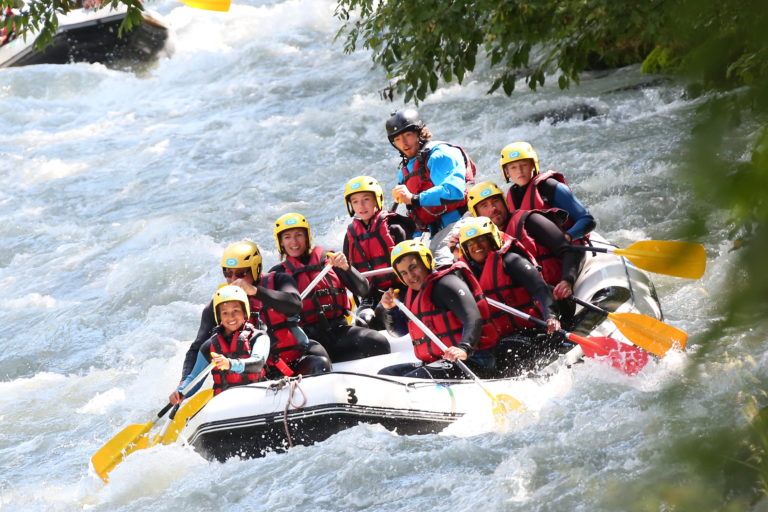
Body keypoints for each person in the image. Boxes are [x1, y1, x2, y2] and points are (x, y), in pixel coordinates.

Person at [180, 240, 331, 384]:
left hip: (296, 358)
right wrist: (185, 380)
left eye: (240, 274)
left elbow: (294, 305)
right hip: (257, 370)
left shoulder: (279, 280)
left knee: (319, 362)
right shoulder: (220, 304)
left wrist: (255, 292)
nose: (233, 280)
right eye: (228, 273)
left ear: (256, 268)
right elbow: (197, 347)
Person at [270, 213, 391, 363]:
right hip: (306, 340)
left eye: (299, 235)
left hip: (338, 330)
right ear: (280, 242)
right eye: (287, 237)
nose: (294, 241)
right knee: (319, 362)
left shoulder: (330, 261)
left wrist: (347, 268)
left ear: (307, 237)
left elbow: (364, 290)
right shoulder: (278, 275)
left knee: (378, 342)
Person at [456, 217, 565, 375]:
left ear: (492, 239)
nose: (476, 246)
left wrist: (551, 316)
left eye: (481, 240)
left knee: (507, 352)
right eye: (470, 243)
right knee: (498, 353)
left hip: (534, 329)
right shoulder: (464, 275)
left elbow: (541, 290)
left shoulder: (511, 260)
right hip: (503, 338)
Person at [378, 240, 500, 379]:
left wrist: (464, 348)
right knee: (386, 376)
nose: (411, 276)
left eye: (413, 267)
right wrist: (390, 310)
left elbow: (473, 317)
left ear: (427, 261)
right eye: (404, 273)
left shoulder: (446, 284)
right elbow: (399, 332)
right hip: (439, 361)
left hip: (473, 361)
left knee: (409, 380)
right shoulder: (413, 294)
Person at [466, 181, 582, 306]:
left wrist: (567, 281)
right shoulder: (482, 245)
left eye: (495, 201)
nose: (493, 208)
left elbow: (568, 250)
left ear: (504, 202)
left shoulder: (530, 221)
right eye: (484, 206)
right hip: (533, 307)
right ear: (476, 214)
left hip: (559, 293)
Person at [386, 108, 476, 264]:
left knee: (441, 262)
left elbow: (455, 191)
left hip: (461, 220)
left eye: (408, 135)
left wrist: (414, 198)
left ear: (419, 133)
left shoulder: (439, 155)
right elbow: (415, 213)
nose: (404, 143)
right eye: (398, 139)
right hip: (435, 231)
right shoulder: (405, 171)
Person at [170, 285, 270, 403]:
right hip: (225, 404)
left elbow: (258, 363)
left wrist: (230, 364)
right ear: (219, 316)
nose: (231, 317)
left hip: (258, 397)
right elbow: (194, 379)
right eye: (225, 313)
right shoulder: (209, 346)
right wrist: (180, 391)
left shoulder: (259, 337)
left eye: (236, 311)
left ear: (245, 311)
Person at [342, 175, 414, 330]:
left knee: (384, 312)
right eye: (355, 201)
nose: (361, 206)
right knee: (363, 320)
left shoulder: (395, 228)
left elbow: (414, 266)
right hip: (371, 296)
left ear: (377, 199)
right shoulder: (350, 235)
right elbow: (349, 273)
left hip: (401, 291)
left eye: (366, 199)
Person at [500, 142, 596, 242]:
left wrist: (567, 237)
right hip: (538, 252)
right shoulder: (512, 194)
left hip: (566, 249)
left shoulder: (551, 187)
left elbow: (588, 220)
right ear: (507, 172)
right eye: (513, 167)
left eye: (524, 165)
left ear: (533, 165)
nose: (519, 171)